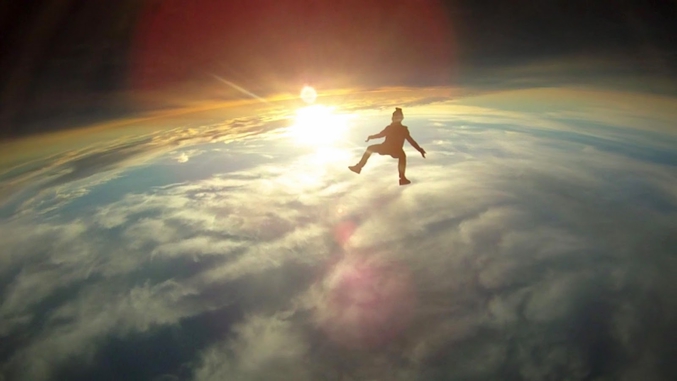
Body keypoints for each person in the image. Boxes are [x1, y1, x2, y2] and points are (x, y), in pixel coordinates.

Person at [349, 107, 426, 185]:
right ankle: (402, 178)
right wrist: (371, 137)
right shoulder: (393, 128)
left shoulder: (401, 129)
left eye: (397, 117)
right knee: (400, 155)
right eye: (394, 117)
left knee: (400, 155)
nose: (395, 119)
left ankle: (402, 178)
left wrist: (420, 150)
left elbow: (411, 141)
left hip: (390, 149)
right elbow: (381, 135)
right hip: (389, 148)